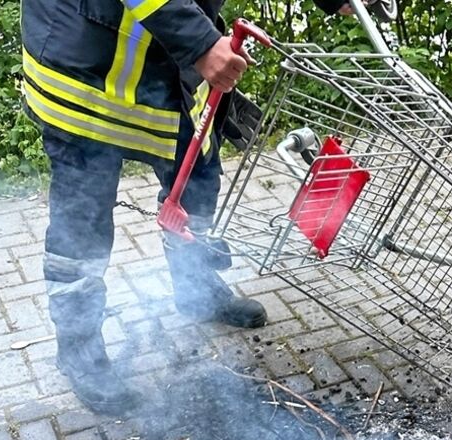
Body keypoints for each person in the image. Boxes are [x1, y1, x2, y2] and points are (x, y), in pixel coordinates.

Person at [21, 0, 268, 415]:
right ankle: (78, 346)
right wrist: (202, 42)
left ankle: (196, 290)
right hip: (86, 55)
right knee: (84, 212)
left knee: (197, 175)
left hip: (166, 54)